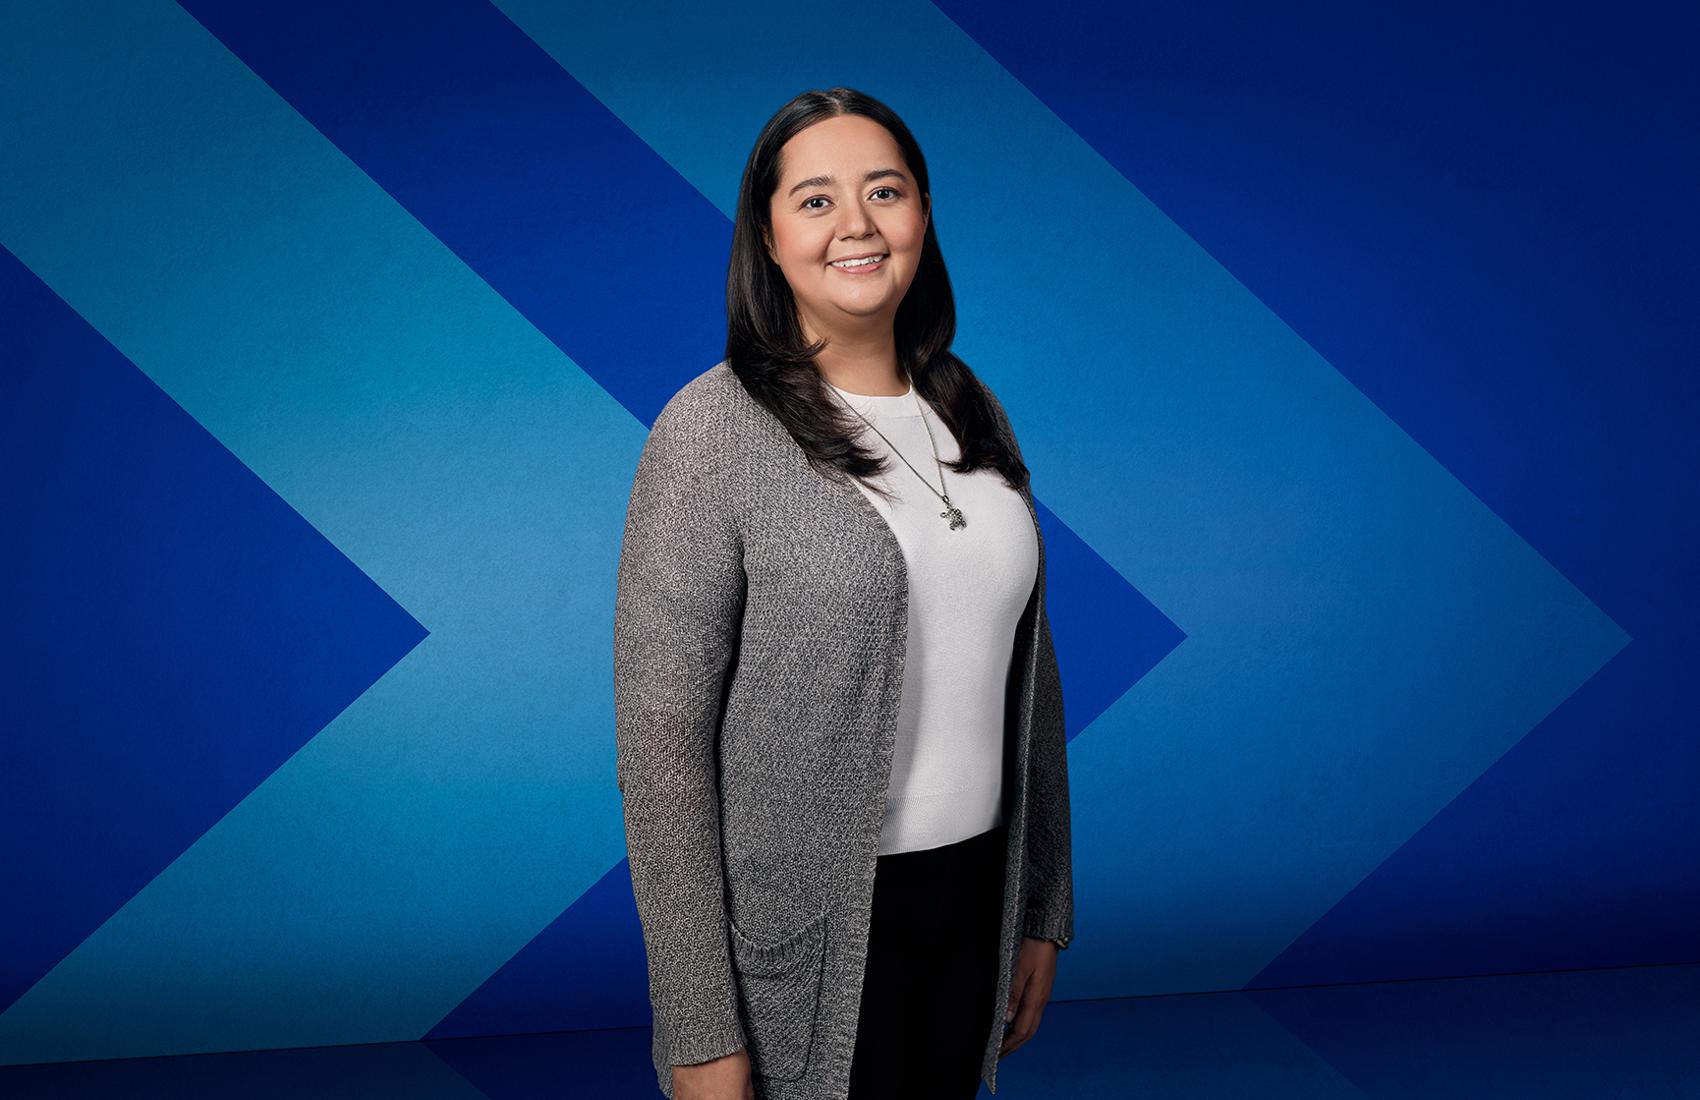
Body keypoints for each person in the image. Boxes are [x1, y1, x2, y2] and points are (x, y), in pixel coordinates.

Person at [614, 86, 1074, 1100]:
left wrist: (1041, 904)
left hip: (975, 899)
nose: (857, 224)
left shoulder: (970, 406)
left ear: (922, 215)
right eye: (815, 199)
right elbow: (661, 750)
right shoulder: (710, 432)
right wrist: (697, 1024)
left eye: (885, 191)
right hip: (807, 937)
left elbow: (1025, 674)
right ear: (767, 236)